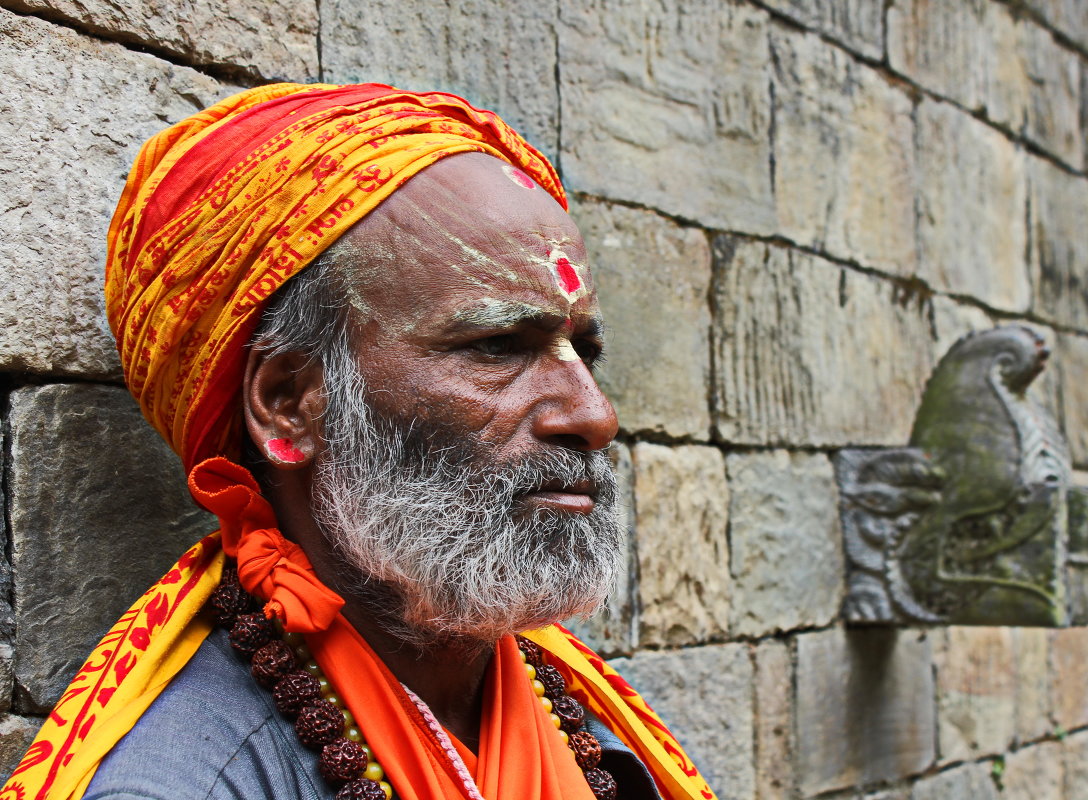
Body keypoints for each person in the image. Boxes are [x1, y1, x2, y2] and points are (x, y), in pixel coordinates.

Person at [3, 83, 714, 800]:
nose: (594, 416)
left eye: (582, 354)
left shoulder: (566, 710)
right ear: (289, 404)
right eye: (499, 345)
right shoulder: (193, 779)